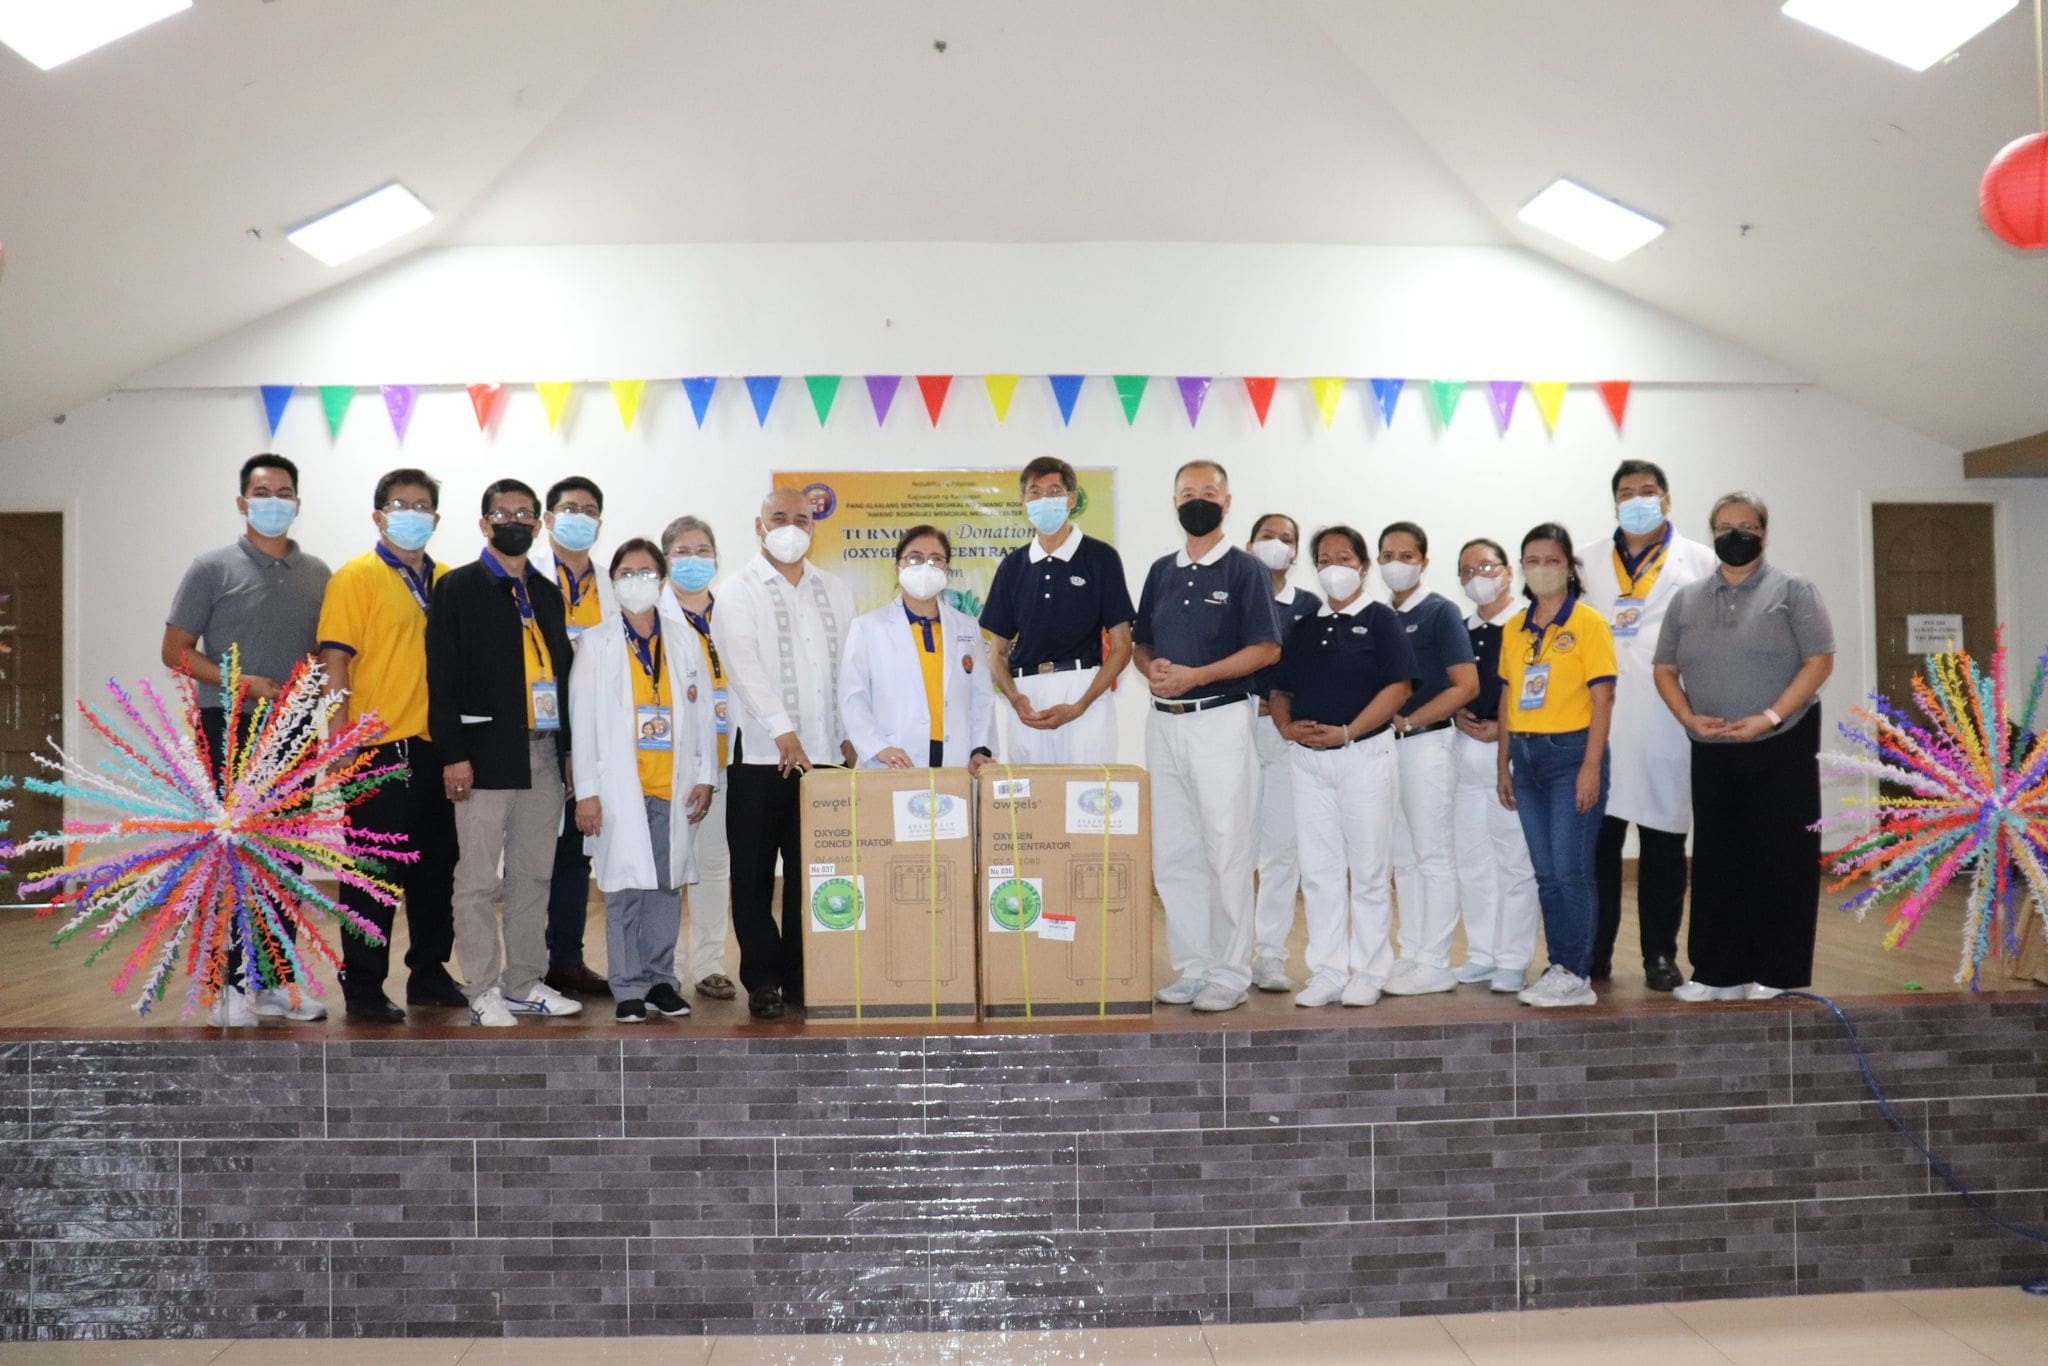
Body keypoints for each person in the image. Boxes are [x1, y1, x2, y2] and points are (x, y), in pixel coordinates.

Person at [163, 453, 330, 1027]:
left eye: (285, 492)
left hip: (296, 732)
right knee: (235, 859)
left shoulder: (318, 574)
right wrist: (240, 682)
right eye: (263, 492)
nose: (274, 501)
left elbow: (325, 655)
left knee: (284, 860)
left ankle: (274, 983)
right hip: (229, 727)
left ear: (298, 503)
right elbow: (175, 651)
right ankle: (226, 987)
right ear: (242, 501)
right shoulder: (210, 568)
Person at [1653, 492, 1835, 1002]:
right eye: (1726, 525)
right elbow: (1664, 668)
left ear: (1765, 534)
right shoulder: (1686, 599)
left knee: (1781, 859)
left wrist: (1769, 717)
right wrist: (1688, 716)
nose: (1737, 534)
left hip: (1782, 741)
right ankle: (1718, 971)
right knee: (1715, 860)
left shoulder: (1794, 591)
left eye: (1748, 525)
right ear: (1711, 533)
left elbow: (1819, 661)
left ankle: (1777, 972)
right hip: (1711, 745)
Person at [425, 478, 582, 1027]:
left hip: (541, 755)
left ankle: (522, 982)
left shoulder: (545, 591)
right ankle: (482, 988)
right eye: (502, 513)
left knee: (533, 876)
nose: (514, 521)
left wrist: (567, 754)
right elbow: (440, 679)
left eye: (524, 513)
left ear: (538, 524)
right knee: (476, 880)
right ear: (485, 522)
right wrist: (453, 755)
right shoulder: (457, 588)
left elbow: (560, 679)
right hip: (483, 755)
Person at [314, 468, 466, 1022]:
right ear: (378, 515)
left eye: (422, 504)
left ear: (437, 518)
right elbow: (335, 661)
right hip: (377, 750)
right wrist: (342, 738)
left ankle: (428, 973)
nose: (411, 512)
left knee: (436, 871)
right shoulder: (356, 577)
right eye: (399, 504)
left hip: (437, 749)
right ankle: (363, 985)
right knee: (372, 875)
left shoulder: (449, 580)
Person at [1134, 461, 1283, 1013]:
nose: (1197, 499)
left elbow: (1267, 649)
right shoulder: (1161, 570)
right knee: (1175, 851)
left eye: (1208, 491)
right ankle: (1194, 966)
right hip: (1163, 722)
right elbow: (1142, 642)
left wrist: (1196, 675)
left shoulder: (1244, 571)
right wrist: (1152, 668)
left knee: (1227, 849)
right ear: (1173, 501)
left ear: (1227, 500)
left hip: (1220, 718)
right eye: (1187, 492)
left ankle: (1230, 971)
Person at [713, 488, 857, 1020]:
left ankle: (803, 975)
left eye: (802, 518)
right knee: (752, 875)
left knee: (812, 871)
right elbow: (743, 667)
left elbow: (847, 667)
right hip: (761, 758)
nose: (791, 527)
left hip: (824, 760)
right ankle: (763, 980)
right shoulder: (738, 590)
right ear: (759, 525)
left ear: (814, 527)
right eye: (780, 517)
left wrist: (848, 732)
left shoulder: (835, 590)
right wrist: (782, 730)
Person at [1578, 460, 1718, 991]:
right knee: (1598, 851)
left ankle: (1660, 955)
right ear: (1613, 501)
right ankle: (1594, 952)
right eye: (1626, 492)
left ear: (1667, 498)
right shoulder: (1585, 560)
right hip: (1598, 726)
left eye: (1648, 491)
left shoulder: (1699, 562)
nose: (1637, 499)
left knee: (1663, 849)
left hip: (1666, 723)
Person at [569, 539, 719, 1023]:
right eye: (628, 572)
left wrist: (704, 776)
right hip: (618, 791)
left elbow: (702, 715)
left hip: (672, 787)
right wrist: (587, 792)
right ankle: (628, 985)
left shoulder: (683, 638)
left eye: (647, 572)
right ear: (613, 582)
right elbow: (583, 724)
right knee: (624, 890)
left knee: (666, 887)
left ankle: (661, 981)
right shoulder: (596, 643)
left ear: (661, 578)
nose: (638, 580)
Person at [1267, 526, 1417, 1008]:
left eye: (1344, 557)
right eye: (1325, 558)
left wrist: (1350, 731)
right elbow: (1280, 690)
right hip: (1308, 762)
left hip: (1364, 757)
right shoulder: (1305, 625)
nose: (1334, 566)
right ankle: (1328, 969)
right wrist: (1287, 728)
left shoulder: (1380, 621)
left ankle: (1369, 970)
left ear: (1363, 566)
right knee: (1319, 870)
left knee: (1370, 869)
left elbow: (1399, 688)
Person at [1495, 523, 1617, 1009]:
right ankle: (1559, 966)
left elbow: (1603, 696)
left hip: (1572, 756)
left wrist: (1591, 767)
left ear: (1569, 568)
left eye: (1551, 560)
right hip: (1525, 759)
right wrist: (1503, 764)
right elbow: (1507, 698)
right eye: (1531, 561)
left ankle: (1575, 972)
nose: (1541, 569)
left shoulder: (1589, 624)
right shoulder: (1514, 628)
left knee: (1571, 870)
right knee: (1546, 873)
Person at [1378, 522, 1480, 997]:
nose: (1395, 562)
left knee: (1433, 854)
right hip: (1385, 750)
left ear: (1423, 559)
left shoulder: (1441, 612)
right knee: (1403, 857)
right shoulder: (1381, 615)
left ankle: (1435, 960)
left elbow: (1466, 685)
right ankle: (1411, 951)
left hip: (1428, 745)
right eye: (1387, 554)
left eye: (1405, 554)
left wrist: (1411, 721)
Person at [980, 456, 1136, 764]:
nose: (1044, 500)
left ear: (1072, 499)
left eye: (1054, 491)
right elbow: (996, 654)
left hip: (1084, 694)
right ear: (1024, 503)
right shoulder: (1013, 566)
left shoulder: (1101, 557)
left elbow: (1122, 647)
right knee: (1031, 806)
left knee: (1086, 805)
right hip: (1028, 702)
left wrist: (1080, 704)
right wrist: (1015, 698)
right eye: (1034, 493)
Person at [529, 477, 615, 1000]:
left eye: (588, 510)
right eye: (568, 508)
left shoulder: (613, 584)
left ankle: (566, 960)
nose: (578, 517)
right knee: (531, 851)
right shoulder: (528, 577)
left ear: (600, 524)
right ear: (547, 517)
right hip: (536, 730)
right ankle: (526, 961)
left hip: (595, 732)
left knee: (574, 853)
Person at [1449, 538, 1541, 993]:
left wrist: (1502, 732)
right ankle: (1482, 953)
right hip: (1463, 756)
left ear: (1508, 572)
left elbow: (1535, 690)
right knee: (1472, 861)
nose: (1477, 577)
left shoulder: (1527, 625)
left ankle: (1512, 958)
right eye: (1466, 570)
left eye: (1486, 566)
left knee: (1513, 862)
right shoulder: (1460, 630)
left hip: (1511, 756)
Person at [657, 514, 737, 1001]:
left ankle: (708, 962)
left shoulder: (730, 613)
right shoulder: (653, 617)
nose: (694, 560)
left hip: (726, 758)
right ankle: (660, 965)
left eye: (703, 550)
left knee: (712, 863)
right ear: (666, 561)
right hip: (669, 761)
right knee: (666, 864)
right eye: (682, 552)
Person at [840, 526, 997, 772]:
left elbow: (982, 697)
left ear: (947, 569)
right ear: (898, 566)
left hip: (957, 758)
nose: (926, 567)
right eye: (915, 558)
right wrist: (878, 747)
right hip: (893, 758)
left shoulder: (967, 627)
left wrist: (980, 749)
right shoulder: (867, 628)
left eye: (936, 559)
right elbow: (852, 697)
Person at [1246, 514, 1320, 993]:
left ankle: (1269, 956)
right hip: (1227, 730)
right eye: (1268, 536)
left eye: (1287, 539)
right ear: (1249, 544)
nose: (1277, 544)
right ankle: (1222, 957)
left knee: (1280, 852)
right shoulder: (1231, 594)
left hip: (1281, 736)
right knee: (1228, 849)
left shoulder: (1310, 607)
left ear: (1296, 553)